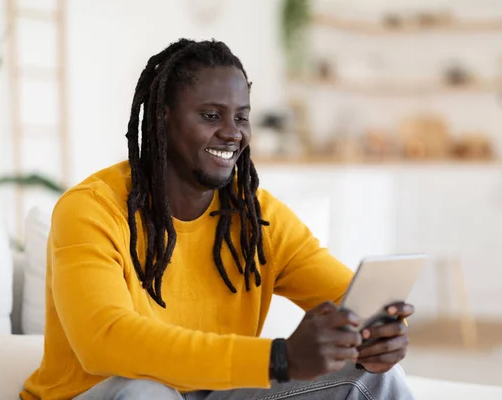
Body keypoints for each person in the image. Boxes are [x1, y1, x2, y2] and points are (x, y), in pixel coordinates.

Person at [21, 38, 415, 400]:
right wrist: (278, 358)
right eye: (211, 115)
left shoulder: (256, 216)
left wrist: (377, 337)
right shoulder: (92, 209)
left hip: (210, 395)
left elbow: (349, 297)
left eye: (241, 118)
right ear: (162, 118)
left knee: (373, 378)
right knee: (144, 392)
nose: (232, 133)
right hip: (101, 392)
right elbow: (105, 342)